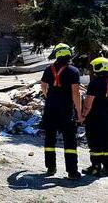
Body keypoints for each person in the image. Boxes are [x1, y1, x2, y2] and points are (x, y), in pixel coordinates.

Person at [41, 43, 82, 180]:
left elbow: (43, 86)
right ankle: (72, 172)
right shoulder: (73, 71)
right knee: (69, 140)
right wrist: (79, 112)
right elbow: (75, 94)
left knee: (50, 139)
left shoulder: (48, 69)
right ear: (69, 54)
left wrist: (49, 97)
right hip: (66, 110)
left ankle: (50, 168)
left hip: (50, 109)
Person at [81, 57, 108, 176]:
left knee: (95, 142)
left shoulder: (95, 83)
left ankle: (95, 167)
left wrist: (83, 115)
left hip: (95, 118)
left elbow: (88, 103)